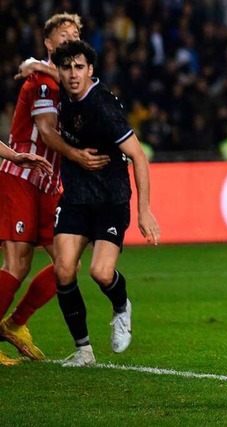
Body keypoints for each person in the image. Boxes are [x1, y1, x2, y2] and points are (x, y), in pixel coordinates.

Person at [0, 13, 109, 366]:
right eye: (62, 35)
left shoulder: (69, 86)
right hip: (21, 174)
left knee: (68, 262)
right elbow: (46, 133)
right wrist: (78, 156)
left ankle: (15, 323)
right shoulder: (41, 84)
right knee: (17, 264)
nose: (69, 39)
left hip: (48, 184)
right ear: (48, 44)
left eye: (75, 34)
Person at [50, 40, 160, 367]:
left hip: (111, 198)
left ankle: (122, 305)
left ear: (91, 70)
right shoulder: (58, 93)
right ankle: (83, 350)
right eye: (67, 67)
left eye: (79, 67)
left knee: (100, 271)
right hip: (76, 197)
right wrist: (31, 64)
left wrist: (144, 211)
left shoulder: (103, 108)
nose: (73, 74)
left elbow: (138, 156)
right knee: (63, 269)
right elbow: (43, 70)